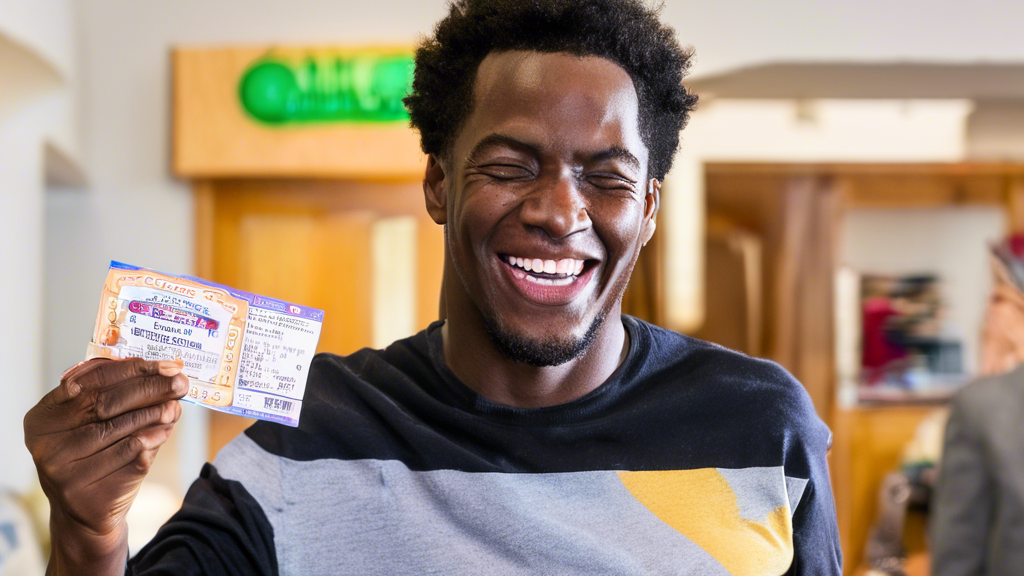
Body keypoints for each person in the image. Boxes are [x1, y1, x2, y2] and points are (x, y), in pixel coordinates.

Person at [23, 0, 842, 573]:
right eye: (510, 166)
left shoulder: (761, 430)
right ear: (439, 184)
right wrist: (90, 536)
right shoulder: (307, 442)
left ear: (649, 208)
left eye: (606, 177)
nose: (561, 212)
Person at [930, 237, 1024, 575]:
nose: (988, 311)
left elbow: (958, 554)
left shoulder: (982, 406)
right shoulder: (984, 401)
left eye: (999, 297)